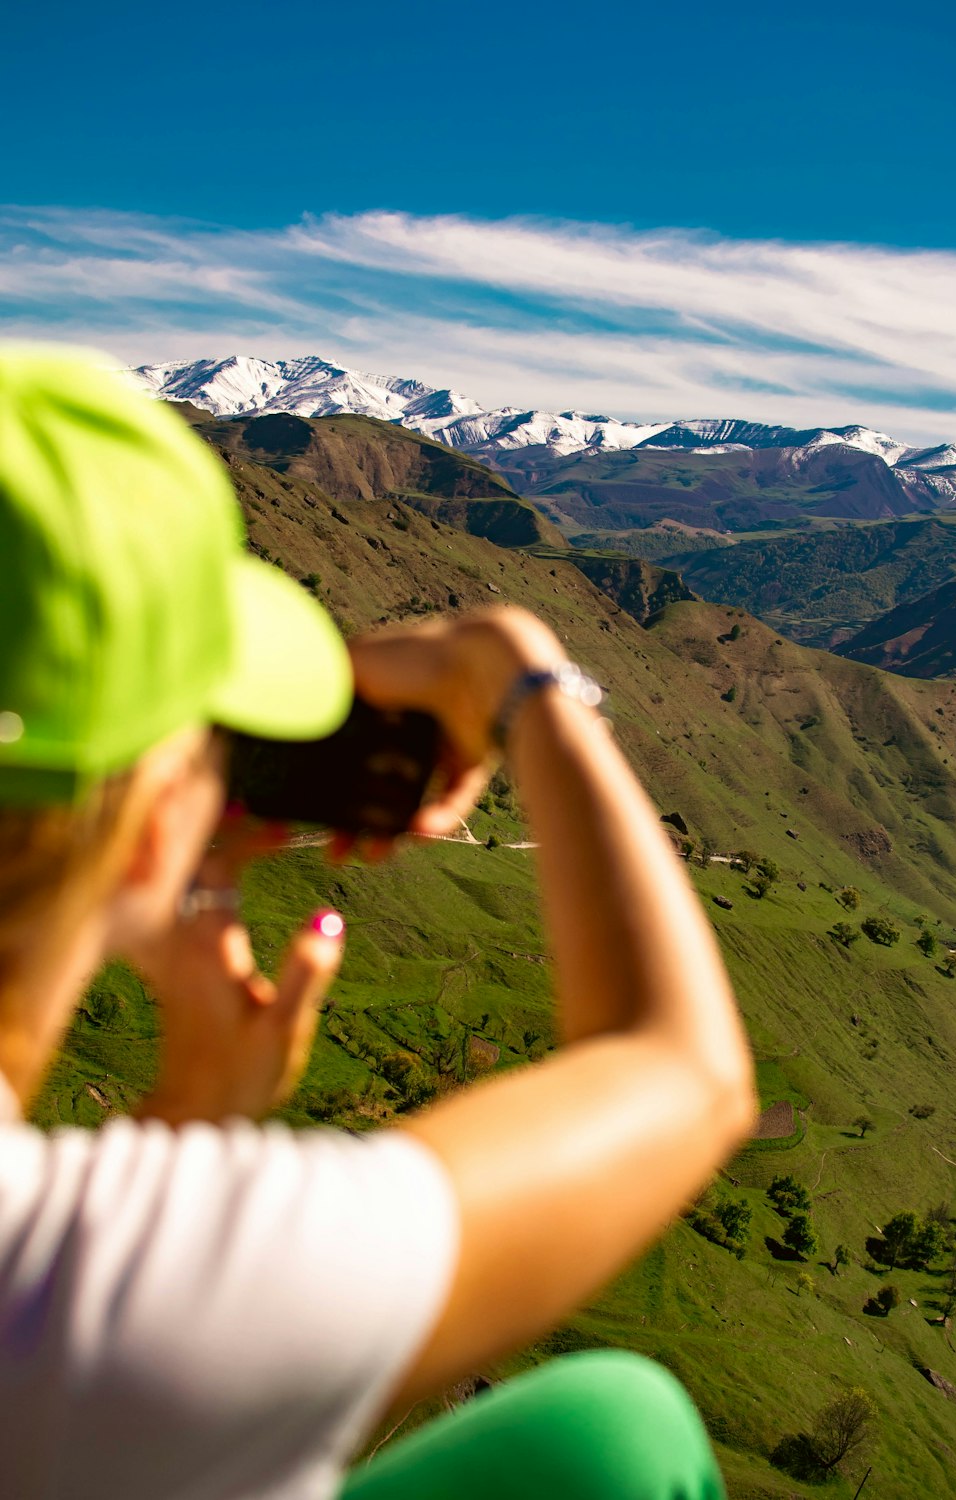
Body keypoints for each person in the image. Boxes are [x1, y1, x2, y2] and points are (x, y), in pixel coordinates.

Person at [0, 348, 756, 1500]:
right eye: (212, 747)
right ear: (157, 831)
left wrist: (188, 1112)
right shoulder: (82, 1294)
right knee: (621, 1436)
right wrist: (519, 677)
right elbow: (682, 1075)